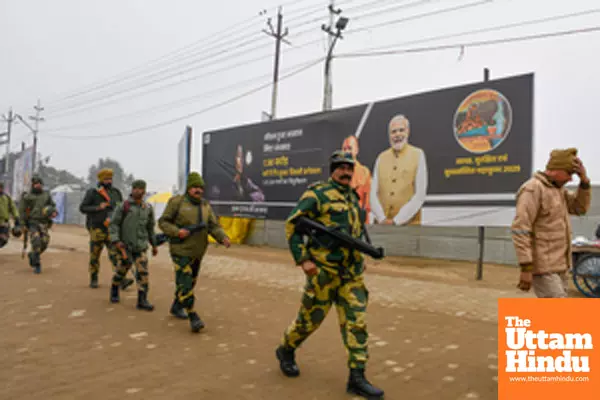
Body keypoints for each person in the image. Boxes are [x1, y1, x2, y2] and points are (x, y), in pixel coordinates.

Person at [275, 151, 384, 400]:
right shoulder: (317, 194)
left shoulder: (354, 199)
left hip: (351, 275)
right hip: (324, 273)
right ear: (332, 170)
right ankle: (286, 349)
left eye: (349, 168)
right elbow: (293, 224)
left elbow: (355, 234)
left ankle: (357, 377)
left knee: (357, 324)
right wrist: (303, 259)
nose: (346, 172)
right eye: (341, 168)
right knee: (308, 322)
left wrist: (361, 257)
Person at [512, 148, 591, 298]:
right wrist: (526, 267)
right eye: (569, 173)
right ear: (555, 170)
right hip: (544, 267)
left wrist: (584, 181)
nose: (570, 179)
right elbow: (520, 229)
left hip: (561, 266)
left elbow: (579, 208)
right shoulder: (533, 189)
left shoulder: (558, 190)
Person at [158, 172, 231, 332]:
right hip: (180, 250)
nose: (198, 190)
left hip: (198, 252)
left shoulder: (205, 206)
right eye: (194, 187)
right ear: (189, 188)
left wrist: (223, 237)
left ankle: (176, 306)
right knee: (185, 283)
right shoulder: (177, 202)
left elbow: (213, 226)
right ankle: (193, 315)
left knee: (190, 282)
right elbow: (163, 222)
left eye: (200, 187)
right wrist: (177, 232)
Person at [79, 168, 133, 289]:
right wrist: (98, 207)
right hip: (97, 228)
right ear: (101, 180)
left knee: (115, 255)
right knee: (95, 255)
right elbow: (83, 208)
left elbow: (120, 209)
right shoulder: (93, 192)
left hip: (111, 229)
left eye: (110, 178)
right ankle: (94, 278)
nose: (109, 181)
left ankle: (120, 279)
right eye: (106, 179)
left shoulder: (116, 193)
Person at [370, 114, 428, 226]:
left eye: (401, 130)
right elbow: (373, 194)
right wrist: (382, 219)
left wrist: (397, 221)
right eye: (393, 131)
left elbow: (420, 195)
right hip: (381, 226)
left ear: (408, 131)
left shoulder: (418, 154)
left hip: (408, 227)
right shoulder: (381, 157)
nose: (397, 134)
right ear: (389, 135)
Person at [108, 179, 157, 311]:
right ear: (132, 190)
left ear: (144, 191)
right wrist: (116, 240)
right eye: (136, 188)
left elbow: (150, 228)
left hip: (141, 247)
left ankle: (142, 300)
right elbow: (113, 224)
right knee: (121, 271)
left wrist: (154, 244)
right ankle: (114, 288)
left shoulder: (147, 208)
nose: (138, 191)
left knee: (143, 273)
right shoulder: (123, 206)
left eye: (141, 189)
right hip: (125, 247)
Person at [19, 176, 57, 274]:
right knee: (36, 241)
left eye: (39, 184)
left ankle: (32, 255)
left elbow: (52, 206)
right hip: (32, 222)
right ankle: (37, 264)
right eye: (36, 184)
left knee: (44, 242)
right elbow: (22, 211)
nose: (38, 185)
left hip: (44, 223)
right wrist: (22, 225)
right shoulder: (27, 196)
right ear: (32, 185)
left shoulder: (46, 195)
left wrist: (54, 212)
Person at [342, 135, 372, 222]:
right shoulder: (337, 172)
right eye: (344, 149)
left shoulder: (365, 172)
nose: (347, 151)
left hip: (360, 220)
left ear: (356, 150)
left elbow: (368, 204)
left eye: (350, 148)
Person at [0, 182, 22, 248]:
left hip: (4, 222)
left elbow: (13, 208)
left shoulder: (7, 197)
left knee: (4, 239)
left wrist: (17, 217)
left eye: (1, 187)